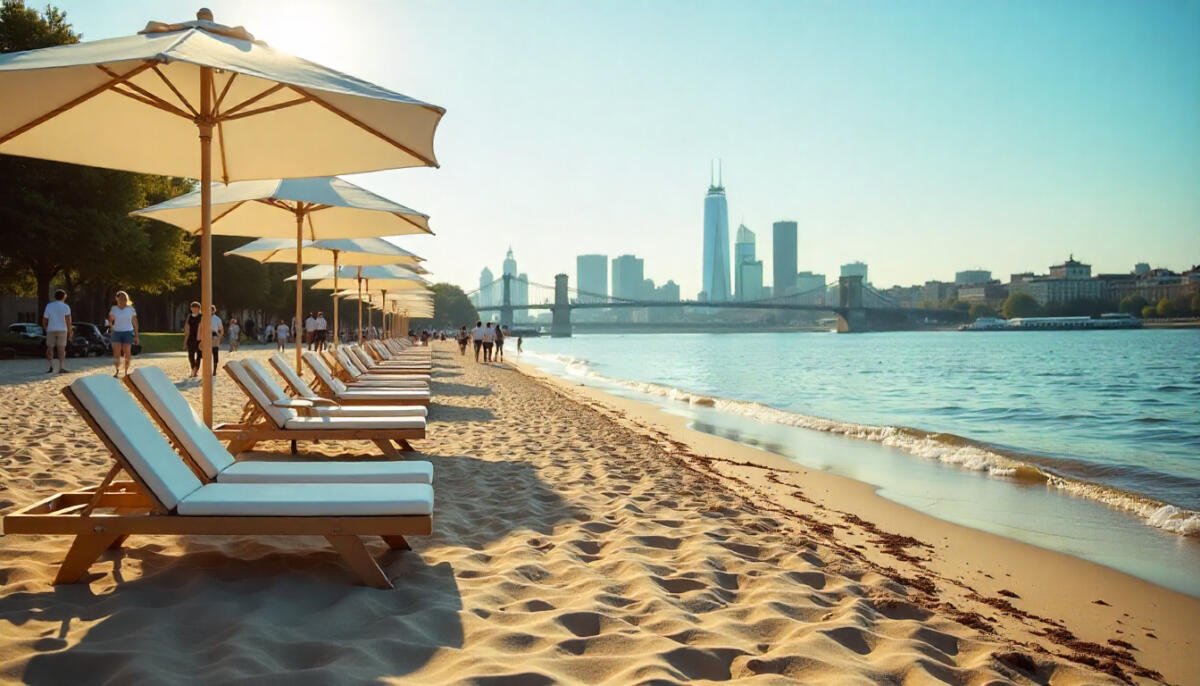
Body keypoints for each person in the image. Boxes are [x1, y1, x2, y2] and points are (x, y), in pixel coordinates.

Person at [107, 290, 139, 378]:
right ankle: (117, 370)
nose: (123, 300)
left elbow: (135, 322)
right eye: (120, 298)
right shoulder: (114, 309)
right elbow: (110, 320)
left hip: (128, 332)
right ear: (117, 299)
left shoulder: (131, 309)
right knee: (116, 353)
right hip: (116, 332)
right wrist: (111, 327)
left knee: (127, 352)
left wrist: (136, 335)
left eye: (124, 298)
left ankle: (126, 371)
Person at [42, 288, 72, 374]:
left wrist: (46, 328)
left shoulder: (49, 306)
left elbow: (44, 319)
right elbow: (68, 320)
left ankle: (51, 366)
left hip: (51, 329)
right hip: (62, 329)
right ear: (64, 296)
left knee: (50, 348)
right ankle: (61, 367)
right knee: (61, 348)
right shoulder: (66, 306)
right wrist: (70, 331)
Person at [183, 301, 202, 377]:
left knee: (199, 355)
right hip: (190, 338)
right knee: (190, 355)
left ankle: (196, 370)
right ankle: (193, 368)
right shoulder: (189, 317)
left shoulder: (201, 316)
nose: (194, 309)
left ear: (199, 308)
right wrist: (185, 341)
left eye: (196, 308)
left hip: (199, 338)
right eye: (193, 308)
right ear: (191, 308)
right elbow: (187, 328)